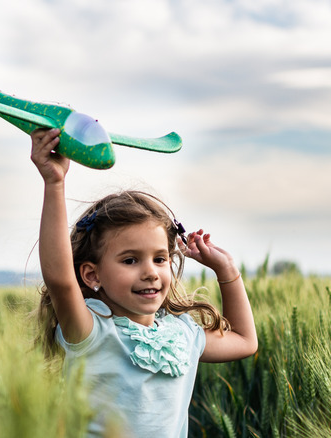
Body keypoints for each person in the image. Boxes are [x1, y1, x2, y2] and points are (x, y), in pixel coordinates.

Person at [30, 128, 258, 437]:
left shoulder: (182, 334)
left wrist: (227, 272)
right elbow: (60, 280)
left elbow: (245, 341)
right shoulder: (92, 331)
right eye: (130, 260)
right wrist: (54, 183)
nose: (150, 271)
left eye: (159, 258)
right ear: (92, 275)